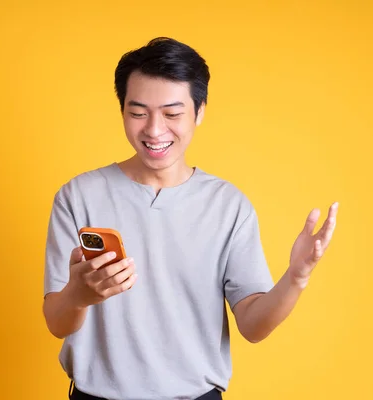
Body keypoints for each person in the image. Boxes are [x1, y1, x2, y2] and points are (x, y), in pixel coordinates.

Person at [42, 37, 339, 400]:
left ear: (199, 112)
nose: (154, 130)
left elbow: (253, 326)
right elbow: (57, 323)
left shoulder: (228, 206)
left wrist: (296, 277)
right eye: (138, 113)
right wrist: (78, 295)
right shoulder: (78, 196)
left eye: (171, 114)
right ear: (122, 111)